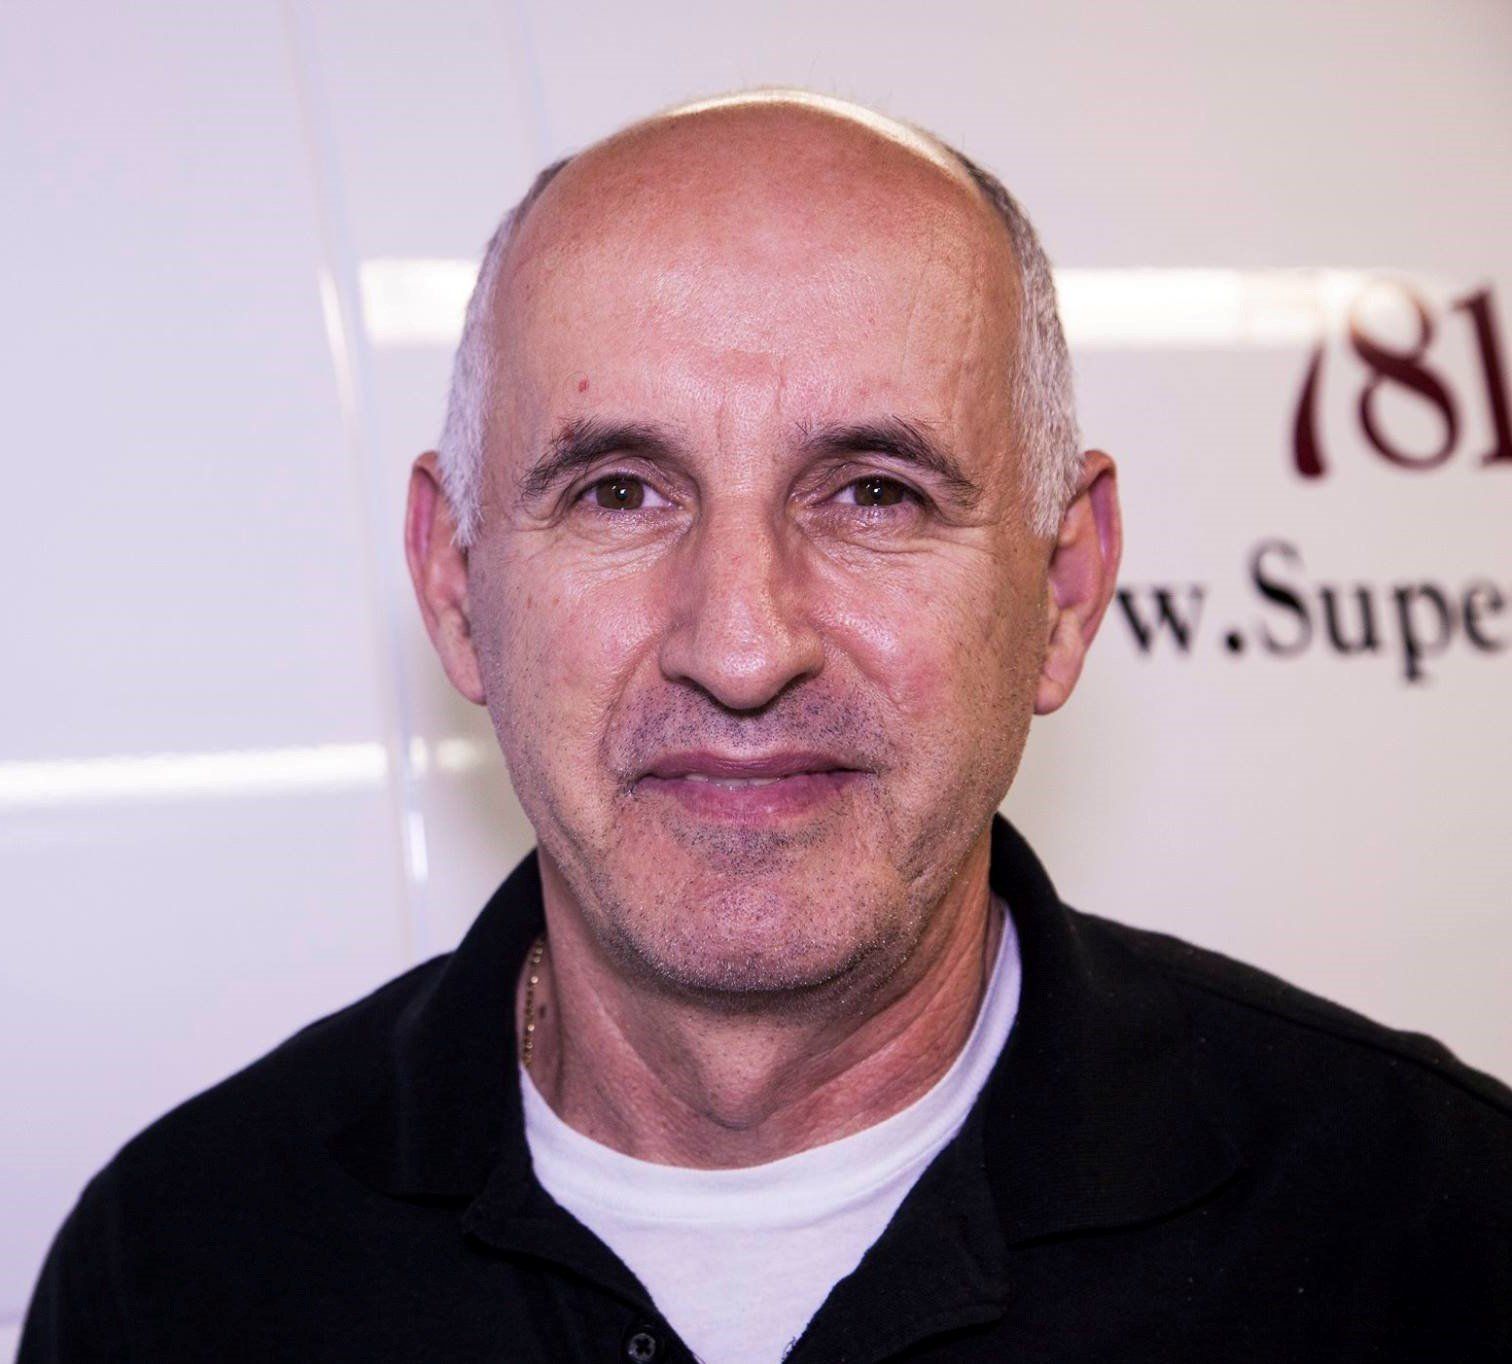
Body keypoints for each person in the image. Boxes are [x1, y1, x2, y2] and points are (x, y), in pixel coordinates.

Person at [19, 90, 1511, 1364]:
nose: (741, 648)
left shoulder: (1439, 1234)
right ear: (458, 585)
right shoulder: (186, 1273)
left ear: (1062, 590)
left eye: (874, 492)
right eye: (619, 491)